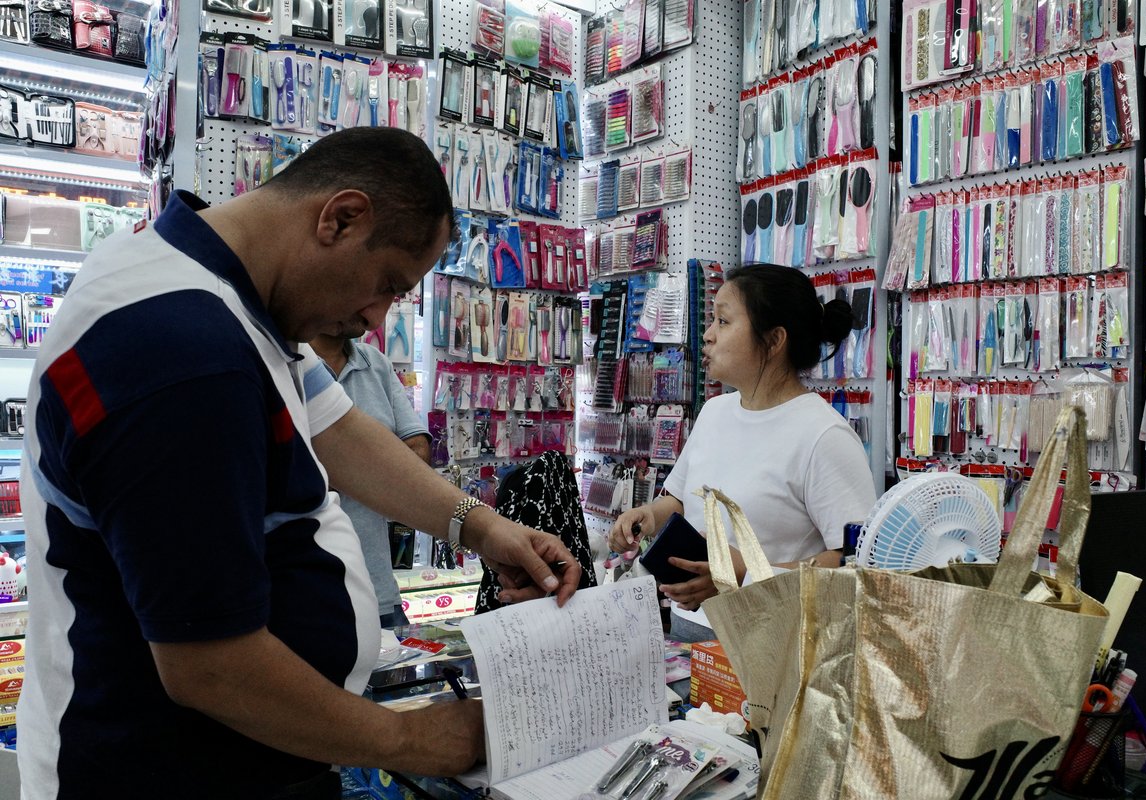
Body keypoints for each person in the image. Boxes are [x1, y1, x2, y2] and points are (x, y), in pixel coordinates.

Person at [18, 127, 582, 799]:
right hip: (158, 772)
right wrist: (413, 740)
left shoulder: (230, 295)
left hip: (242, 759)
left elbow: (339, 428)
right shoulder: (180, 355)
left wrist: (482, 527)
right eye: (388, 285)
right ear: (340, 219)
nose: (376, 319)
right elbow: (209, 665)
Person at [608, 264, 876, 642]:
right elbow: (682, 501)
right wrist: (647, 516)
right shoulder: (715, 412)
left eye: (723, 321)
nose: (708, 335)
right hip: (694, 633)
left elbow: (854, 562)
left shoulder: (824, 436)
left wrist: (749, 572)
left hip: (772, 646)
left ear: (774, 340)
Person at [310, 332, 429, 628]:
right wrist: (376, 470)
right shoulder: (286, 364)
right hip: (306, 593)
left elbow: (418, 451)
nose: (376, 311)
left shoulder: (374, 363)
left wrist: (336, 472)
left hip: (377, 589)